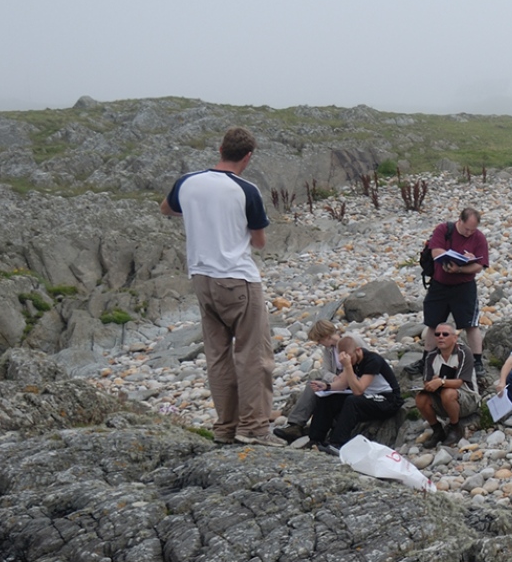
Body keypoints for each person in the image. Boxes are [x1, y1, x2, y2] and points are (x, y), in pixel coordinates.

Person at [160, 127, 280, 447]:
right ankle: (254, 428)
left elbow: (167, 208)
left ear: (220, 148)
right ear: (248, 157)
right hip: (237, 277)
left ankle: (225, 427)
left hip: (201, 277)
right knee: (253, 355)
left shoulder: (188, 182)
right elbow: (259, 241)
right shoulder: (246, 189)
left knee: (218, 355)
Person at [306, 337, 402, 454]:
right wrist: (327, 387)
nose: (349, 361)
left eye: (350, 358)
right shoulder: (353, 362)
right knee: (328, 398)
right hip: (368, 395)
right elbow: (343, 383)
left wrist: (348, 366)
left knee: (352, 401)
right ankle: (315, 439)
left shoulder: (372, 360)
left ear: (357, 350)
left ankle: (338, 443)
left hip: (388, 399)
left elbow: (358, 390)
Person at [422, 208, 489, 373]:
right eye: (467, 229)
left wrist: (460, 268)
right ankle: (426, 359)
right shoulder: (444, 230)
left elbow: (479, 266)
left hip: (464, 286)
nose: (469, 233)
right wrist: (451, 259)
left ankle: (477, 361)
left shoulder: (479, 237)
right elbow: (436, 250)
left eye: (472, 230)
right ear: (460, 220)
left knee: (471, 324)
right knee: (432, 323)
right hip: (439, 284)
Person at [275, 321, 364, 442]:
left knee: (319, 388)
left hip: (355, 382)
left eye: (319, 340)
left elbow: (365, 363)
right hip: (339, 380)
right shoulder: (329, 350)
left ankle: (304, 428)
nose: (319, 344)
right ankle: (295, 424)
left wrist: (342, 378)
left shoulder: (352, 341)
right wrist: (333, 378)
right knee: (314, 384)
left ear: (326, 337)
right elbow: (325, 370)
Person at [416, 322, 478, 449]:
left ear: (455, 338)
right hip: (442, 400)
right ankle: (438, 430)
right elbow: (426, 381)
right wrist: (430, 384)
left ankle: (455, 428)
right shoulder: (431, 356)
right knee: (420, 398)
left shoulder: (464, 352)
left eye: (445, 334)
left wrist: (440, 382)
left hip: (468, 399)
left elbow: (460, 382)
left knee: (448, 393)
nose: (440, 337)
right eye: (437, 334)